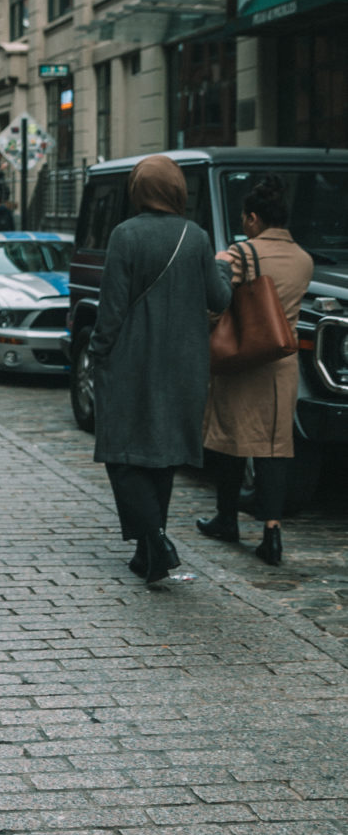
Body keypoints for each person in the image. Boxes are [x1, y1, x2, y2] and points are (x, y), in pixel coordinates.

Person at [90, 154, 230, 584]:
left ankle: (157, 538)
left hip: (132, 359)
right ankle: (149, 557)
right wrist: (222, 267)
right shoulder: (198, 236)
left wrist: (98, 351)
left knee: (122, 452)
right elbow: (219, 300)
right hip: (185, 364)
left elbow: (112, 307)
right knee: (162, 456)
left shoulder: (125, 235)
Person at [198, 175, 313, 567]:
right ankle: (272, 533)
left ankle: (226, 519)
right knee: (274, 449)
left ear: (252, 217)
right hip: (281, 363)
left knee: (230, 440)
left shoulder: (239, 253)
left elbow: (217, 305)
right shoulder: (303, 258)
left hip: (242, 359)